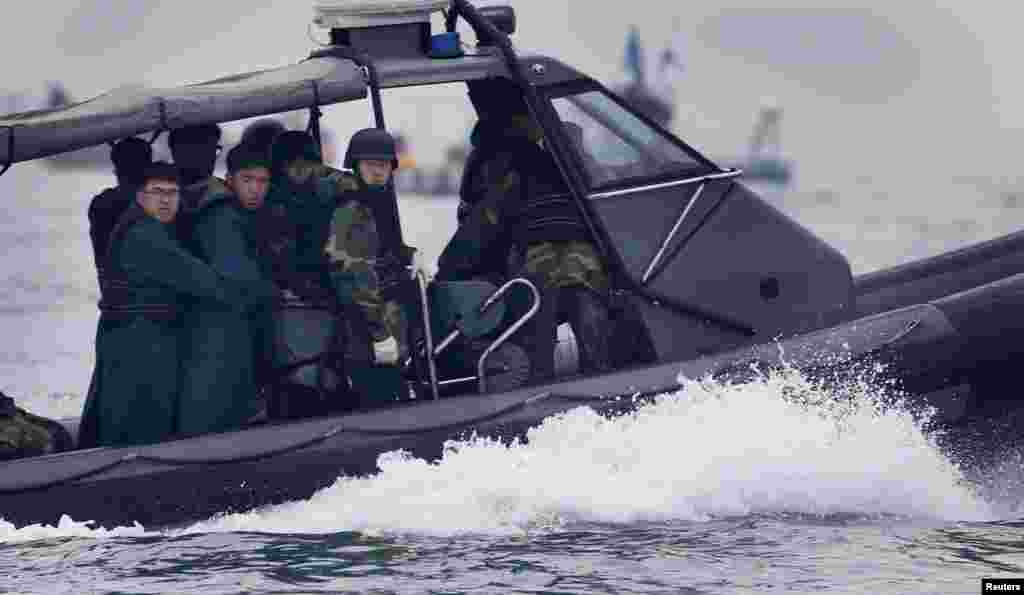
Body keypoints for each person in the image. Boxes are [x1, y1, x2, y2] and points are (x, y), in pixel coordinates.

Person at [78, 162, 268, 448]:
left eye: (172, 193)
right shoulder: (146, 236)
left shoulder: (148, 226)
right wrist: (257, 294)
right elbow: (202, 280)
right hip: (140, 339)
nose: (166, 200)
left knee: (127, 414)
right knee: (140, 417)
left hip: (137, 334)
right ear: (141, 196)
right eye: (157, 192)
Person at [438, 77, 613, 384]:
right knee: (580, 325)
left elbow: (482, 223)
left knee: (550, 330)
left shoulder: (508, 165)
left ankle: (545, 390)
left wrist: (449, 267)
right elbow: (485, 219)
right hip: (561, 261)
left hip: (549, 262)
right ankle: (598, 389)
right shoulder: (565, 163)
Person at [177, 144, 281, 437]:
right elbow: (238, 277)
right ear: (230, 178)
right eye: (247, 180)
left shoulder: (232, 211)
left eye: (262, 182)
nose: (255, 190)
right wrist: (273, 291)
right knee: (217, 408)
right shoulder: (221, 215)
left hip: (225, 324)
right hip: (217, 327)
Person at [88, 137, 153, 287]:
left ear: (116, 170)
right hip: (149, 297)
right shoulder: (153, 204)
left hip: (114, 298)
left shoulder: (101, 203)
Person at [168, 123, 228, 241]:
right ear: (176, 152)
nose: (212, 157)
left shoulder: (229, 193)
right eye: (204, 149)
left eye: (214, 149)